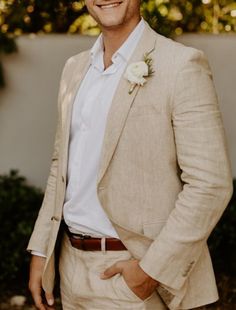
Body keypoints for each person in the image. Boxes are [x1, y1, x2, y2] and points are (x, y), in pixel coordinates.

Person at [27, 0, 233, 309]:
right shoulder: (74, 69)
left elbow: (211, 184)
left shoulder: (181, 65)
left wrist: (150, 272)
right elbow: (61, 167)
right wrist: (41, 251)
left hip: (133, 276)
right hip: (70, 269)